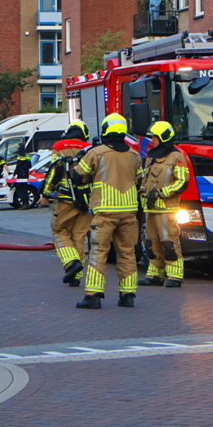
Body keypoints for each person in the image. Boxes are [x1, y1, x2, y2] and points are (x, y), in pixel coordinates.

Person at [73, 113, 142, 309]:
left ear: (105, 130)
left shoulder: (96, 153)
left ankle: (93, 296)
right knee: (127, 253)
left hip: (104, 212)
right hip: (129, 212)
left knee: (98, 252)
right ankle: (128, 295)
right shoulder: (134, 155)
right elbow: (139, 180)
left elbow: (78, 176)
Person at [40, 121, 93, 286]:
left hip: (65, 199)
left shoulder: (59, 146)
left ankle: (71, 263)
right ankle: (76, 277)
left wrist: (45, 194)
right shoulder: (90, 148)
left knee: (59, 231)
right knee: (79, 235)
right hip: (86, 200)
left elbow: (54, 170)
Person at [138, 121, 189, 288]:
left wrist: (161, 193)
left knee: (169, 242)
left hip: (167, 208)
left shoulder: (177, 156)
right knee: (151, 243)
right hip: (150, 208)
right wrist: (142, 193)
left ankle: (175, 275)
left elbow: (182, 182)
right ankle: (155, 274)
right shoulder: (151, 156)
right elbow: (145, 180)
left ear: (163, 137)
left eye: (155, 137)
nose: (152, 140)